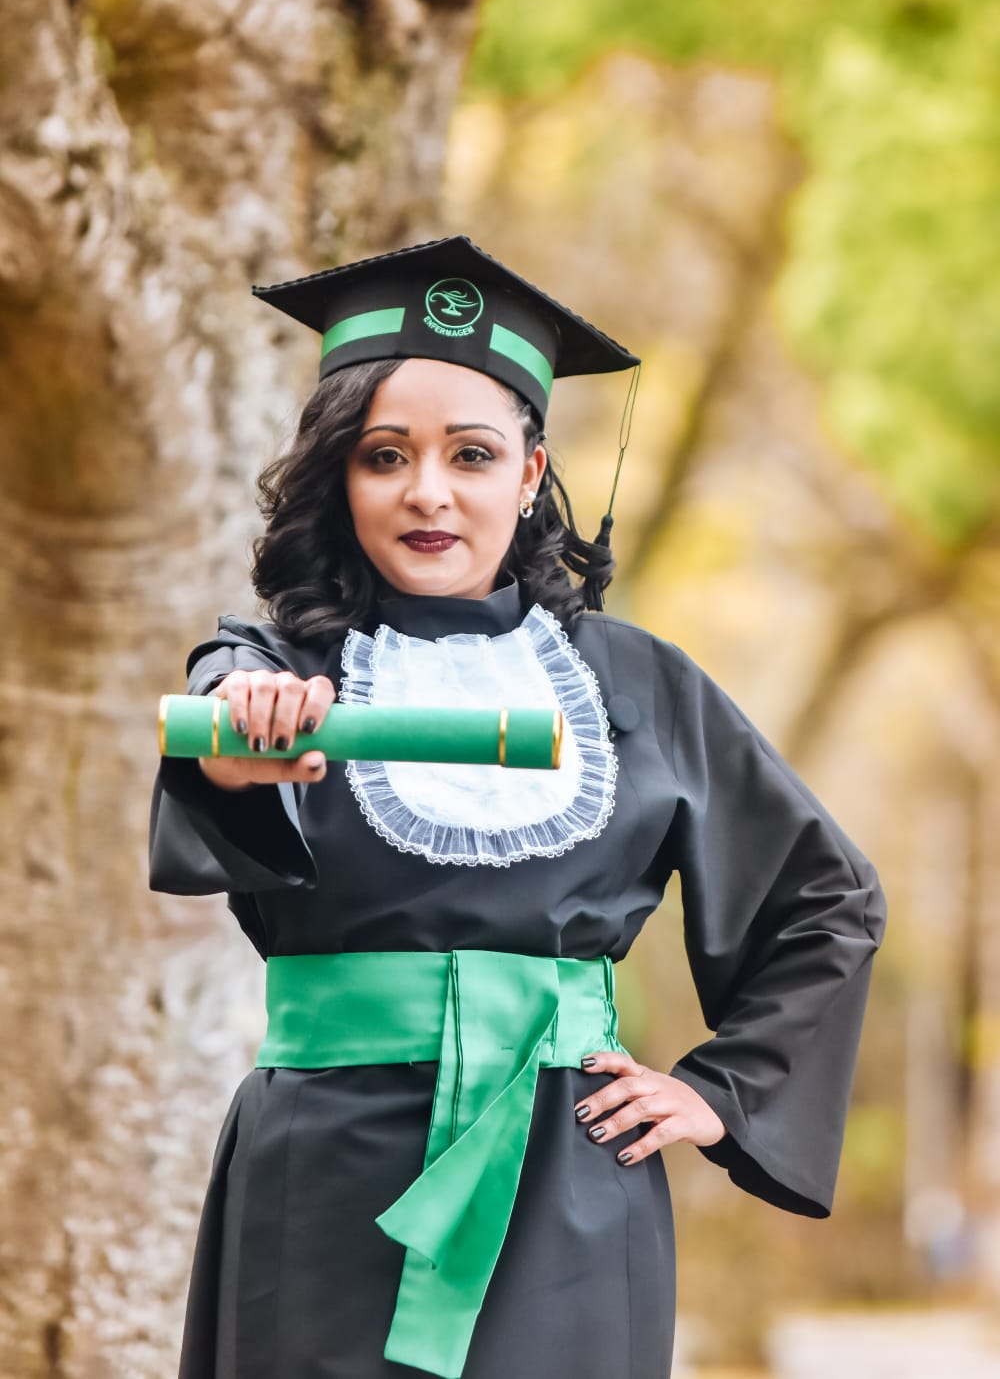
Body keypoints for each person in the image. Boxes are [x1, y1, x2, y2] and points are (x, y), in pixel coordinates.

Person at [149, 234, 886, 1379]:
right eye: (383, 455)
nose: (427, 491)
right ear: (337, 476)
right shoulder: (276, 664)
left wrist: (720, 1093)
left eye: (472, 455)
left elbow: (825, 901)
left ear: (531, 474)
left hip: (573, 1176)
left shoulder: (641, 685)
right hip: (325, 1173)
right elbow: (223, 737)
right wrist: (246, 738)